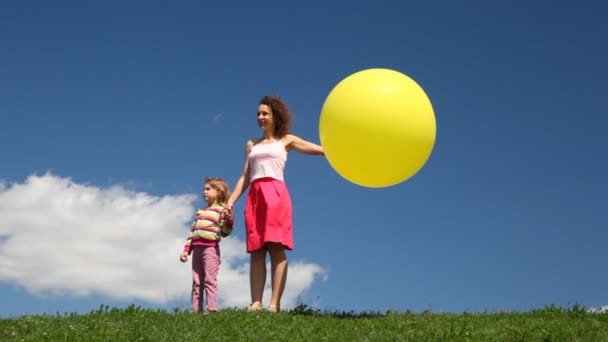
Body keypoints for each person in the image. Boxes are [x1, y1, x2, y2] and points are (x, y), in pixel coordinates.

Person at [227, 95, 324, 312]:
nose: (260, 117)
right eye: (258, 114)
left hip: (276, 195)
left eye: (265, 113)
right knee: (256, 251)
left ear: (275, 116)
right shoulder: (251, 144)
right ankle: (256, 303)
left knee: (276, 249)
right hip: (255, 196)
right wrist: (230, 202)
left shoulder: (286, 140)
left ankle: (274, 304)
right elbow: (245, 176)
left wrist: (339, 149)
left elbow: (318, 149)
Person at [180, 177, 234, 313]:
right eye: (204, 189)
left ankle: (211, 309)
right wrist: (187, 250)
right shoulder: (201, 211)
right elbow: (193, 232)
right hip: (197, 249)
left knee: (210, 280)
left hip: (210, 249)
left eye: (208, 189)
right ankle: (195, 310)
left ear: (219, 192)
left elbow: (224, 233)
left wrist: (229, 221)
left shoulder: (222, 211)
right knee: (197, 281)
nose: (204, 191)